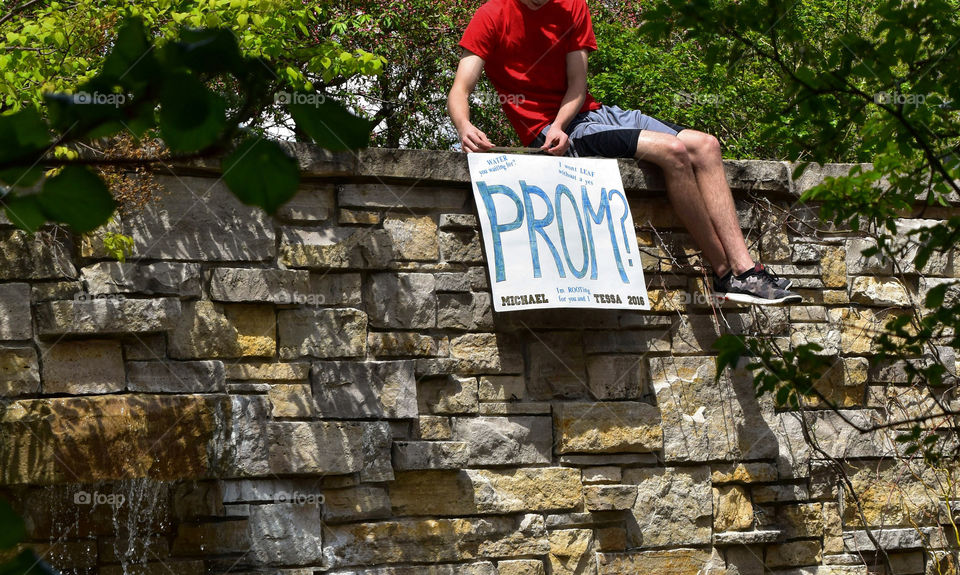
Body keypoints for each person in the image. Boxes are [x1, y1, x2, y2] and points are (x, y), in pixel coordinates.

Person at [447, 0, 802, 305]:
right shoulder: (491, 15)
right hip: (552, 134)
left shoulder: (572, 5)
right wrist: (465, 126)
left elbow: (577, 85)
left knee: (707, 145)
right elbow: (460, 89)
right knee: (673, 151)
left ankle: (747, 271)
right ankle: (725, 274)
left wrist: (561, 121)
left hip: (591, 115)